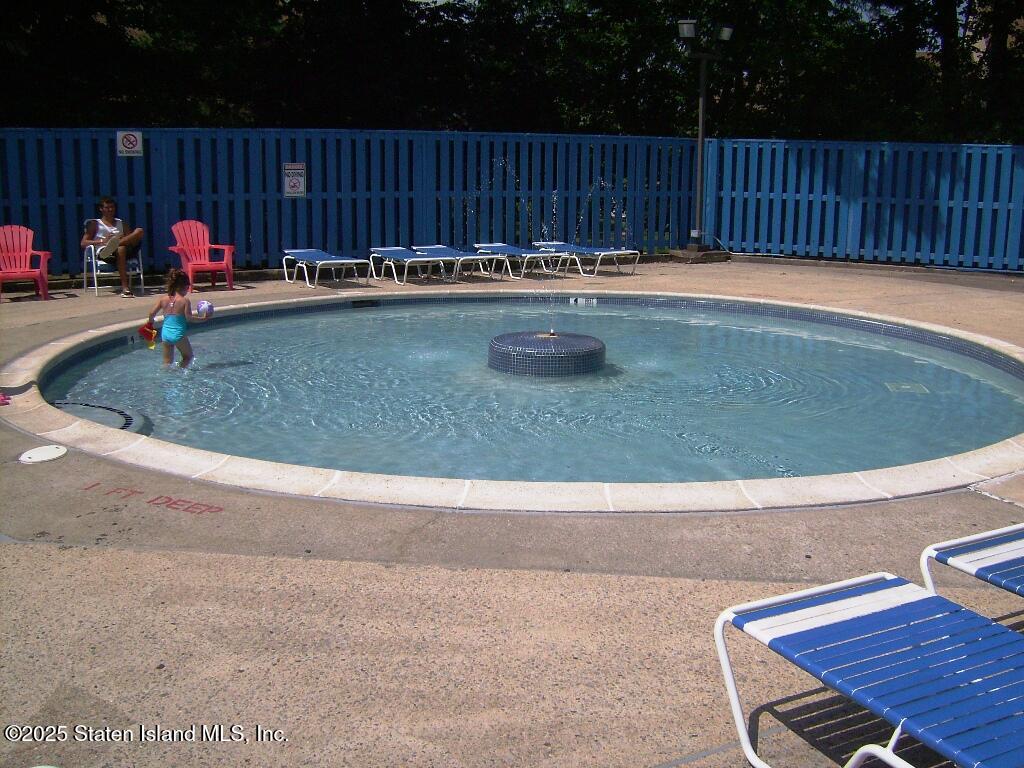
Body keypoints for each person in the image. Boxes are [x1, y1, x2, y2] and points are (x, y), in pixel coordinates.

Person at [80, 196, 145, 298]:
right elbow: (83, 243)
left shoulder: (121, 223)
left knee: (139, 231)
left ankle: (116, 243)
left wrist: (121, 238)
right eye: (107, 207)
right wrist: (103, 241)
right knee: (121, 248)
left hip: (125, 250)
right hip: (105, 253)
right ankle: (125, 288)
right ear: (101, 209)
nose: (110, 210)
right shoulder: (95, 224)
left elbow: (130, 238)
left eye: (112, 207)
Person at [147, 269, 209, 368]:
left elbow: (151, 313)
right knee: (188, 357)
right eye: (188, 287)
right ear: (184, 286)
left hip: (165, 334)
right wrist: (203, 319)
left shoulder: (163, 299)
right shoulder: (184, 301)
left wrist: (150, 322)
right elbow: (189, 318)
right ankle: (179, 373)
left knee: (167, 362)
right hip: (178, 335)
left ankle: (166, 378)